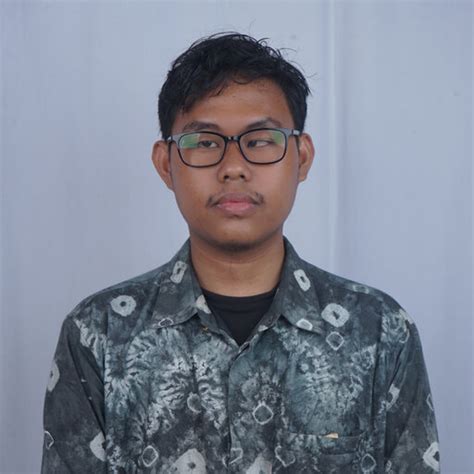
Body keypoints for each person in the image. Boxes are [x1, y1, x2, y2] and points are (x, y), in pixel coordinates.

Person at [41, 33, 440, 473]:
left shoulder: (380, 332)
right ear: (166, 164)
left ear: (302, 157)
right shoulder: (99, 334)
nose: (233, 167)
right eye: (204, 142)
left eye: (261, 140)